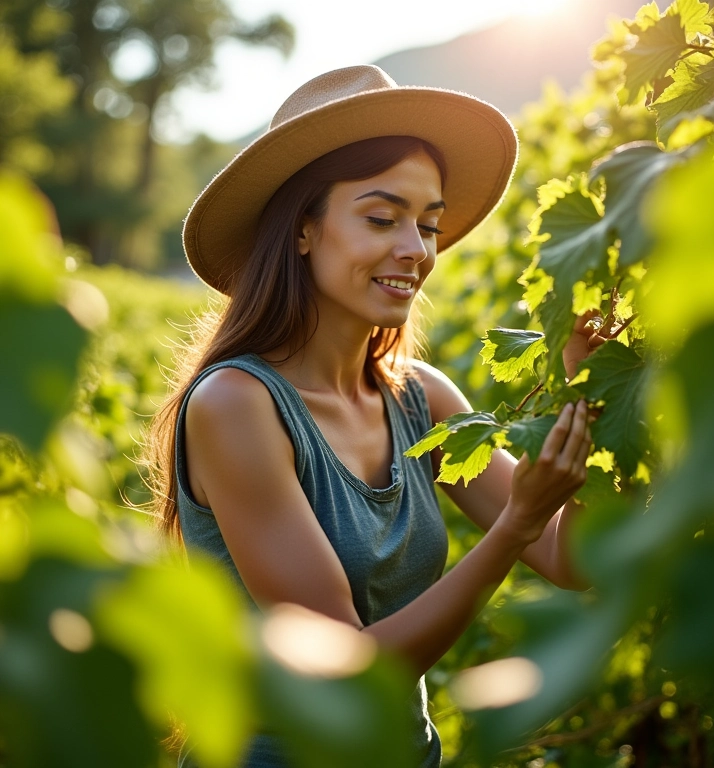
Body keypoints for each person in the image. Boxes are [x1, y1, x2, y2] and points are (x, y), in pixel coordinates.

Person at [147, 65, 595, 768]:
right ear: (302, 230)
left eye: (429, 224)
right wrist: (514, 527)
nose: (417, 250)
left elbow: (574, 558)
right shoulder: (236, 406)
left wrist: (592, 391)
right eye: (382, 219)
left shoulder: (421, 397)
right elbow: (346, 668)